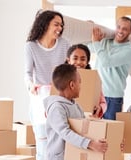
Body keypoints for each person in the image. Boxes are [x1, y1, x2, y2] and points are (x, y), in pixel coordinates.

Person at [24, 10, 70, 160]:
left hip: (59, 98)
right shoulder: (31, 46)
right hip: (40, 100)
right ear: (45, 24)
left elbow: (69, 70)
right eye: (56, 24)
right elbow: (28, 73)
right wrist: (30, 85)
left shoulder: (64, 44)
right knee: (43, 147)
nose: (60, 28)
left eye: (61, 25)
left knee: (60, 146)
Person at [44, 64, 108, 160]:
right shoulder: (56, 108)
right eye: (80, 82)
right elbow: (65, 133)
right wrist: (91, 144)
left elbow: (84, 129)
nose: (81, 86)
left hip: (73, 155)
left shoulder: (76, 106)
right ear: (72, 85)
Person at [87, 16, 131, 120]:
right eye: (118, 27)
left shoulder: (130, 50)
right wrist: (88, 28)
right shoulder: (105, 42)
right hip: (96, 93)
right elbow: (86, 47)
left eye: (125, 29)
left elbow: (106, 62)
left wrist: (96, 42)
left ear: (130, 31)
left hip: (112, 97)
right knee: (93, 129)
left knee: (110, 131)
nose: (120, 31)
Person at [65, 44, 107, 118]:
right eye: (75, 58)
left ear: (87, 61)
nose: (78, 62)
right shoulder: (60, 76)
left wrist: (99, 108)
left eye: (83, 59)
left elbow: (103, 102)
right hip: (65, 118)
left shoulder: (93, 79)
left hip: (85, 120)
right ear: (69, 60)